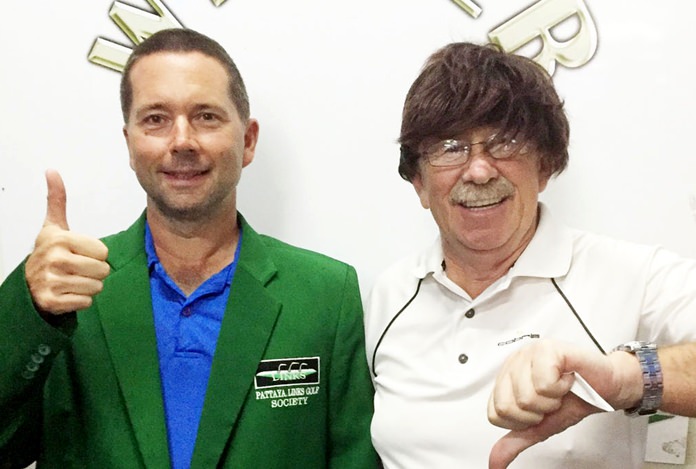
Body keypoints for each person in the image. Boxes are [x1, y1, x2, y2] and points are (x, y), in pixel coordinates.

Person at [0, 28, 377, 469]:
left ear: (248, 140)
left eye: (206, 117)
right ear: (129, 143)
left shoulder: (326, 295)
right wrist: (29, 311)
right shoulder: (69, 290)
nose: (182, 141)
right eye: (156, 119)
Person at [364, 41, 696, 469]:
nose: (479, 170)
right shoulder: (390, 295)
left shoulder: (633, 276)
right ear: (419, 183)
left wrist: (625, 378)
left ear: (545, 166)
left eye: (504, 142)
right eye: (450, 147)